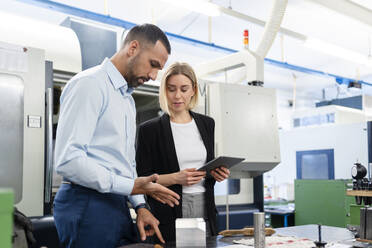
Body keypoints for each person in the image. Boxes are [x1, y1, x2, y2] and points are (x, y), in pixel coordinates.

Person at [53, 24, 180, 248]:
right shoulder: (90, 84)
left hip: (116, 202)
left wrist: (140, 206)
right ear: (132, 48)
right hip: (86, 202)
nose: (153, 76)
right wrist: (131, 187)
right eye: (153, 65)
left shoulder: (126, 100)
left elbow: (126, 163)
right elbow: (68, 160)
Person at [136, 62, 230, 242]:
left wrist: (216, 173)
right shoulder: (149, 129)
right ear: (164, 90)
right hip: (170, 209)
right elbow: (141, 178)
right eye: (171, 89)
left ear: (194, 90)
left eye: (184, 89)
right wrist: (175, 178)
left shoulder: (207, 124)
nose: (177, 96)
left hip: (205, 207)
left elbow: (205, 169)